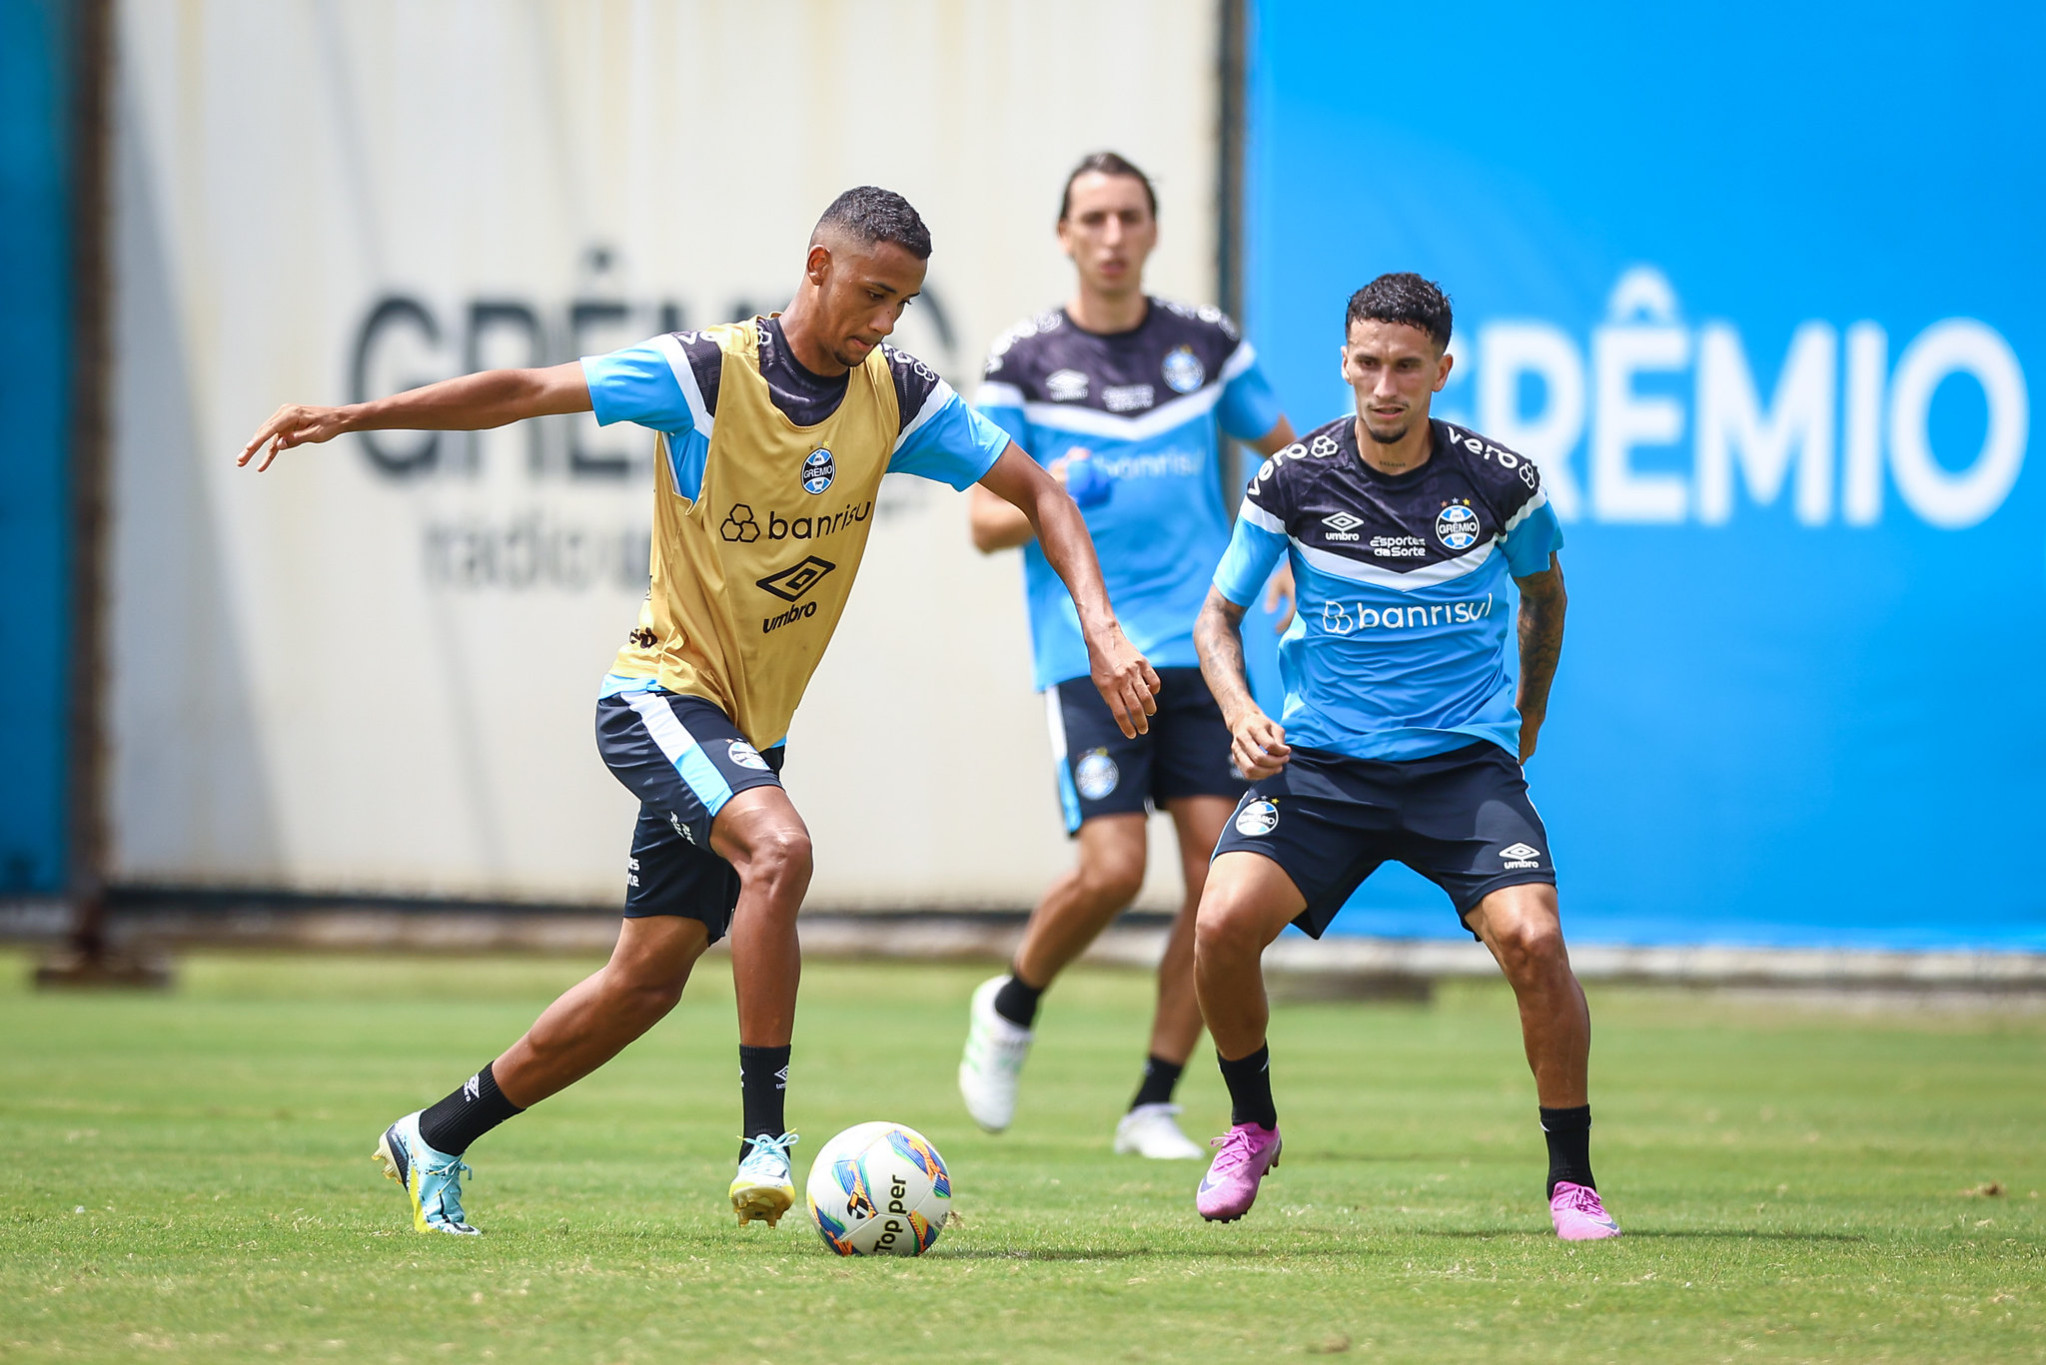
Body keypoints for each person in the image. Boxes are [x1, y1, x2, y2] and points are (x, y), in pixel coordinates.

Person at [237, 187, 1158, 1235]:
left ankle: (433, 1135)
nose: (883, 322)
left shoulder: (895, 396)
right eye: (870, 294)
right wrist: (358, 414)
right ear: (816, 268)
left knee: (644, 983)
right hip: (660, 697)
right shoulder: (707, 374)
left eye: (901, 303)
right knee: (781, 850)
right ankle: (765, 1138)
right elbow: (527, 385)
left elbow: (1040, 491)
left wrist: (1102, 628)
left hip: (743, 734)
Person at [1186, 273, 1620, 1239]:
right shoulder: (1291, 482)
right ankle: (1251, 1124)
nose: (1385, 386)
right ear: (1345, 361)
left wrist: (1527, 718)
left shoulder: (1501, 483)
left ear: (1442, 371)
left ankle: (1572, 1180)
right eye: (1369, 364)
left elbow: (1548, 595)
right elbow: (1216, 615)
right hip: (1323, 771)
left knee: (1536, 941)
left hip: (1462, 770)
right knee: (1218, 924)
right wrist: (1239, 706)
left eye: (1407, 367)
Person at [956, 152, 1295, 1159]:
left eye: (1129, 217)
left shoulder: (1204, 344)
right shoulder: (1023, 361)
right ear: (1064, 235)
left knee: (1219, 884)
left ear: (1152, 231)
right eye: (1092, 218)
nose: (1111, 235)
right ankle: (1012, 1006)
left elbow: (1289, 457)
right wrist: (1057, 488)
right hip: (1091, 650)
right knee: (1110, 869)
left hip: (1205, 650)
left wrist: (1289, 558)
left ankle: (1154, 1100)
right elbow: (980, 519)